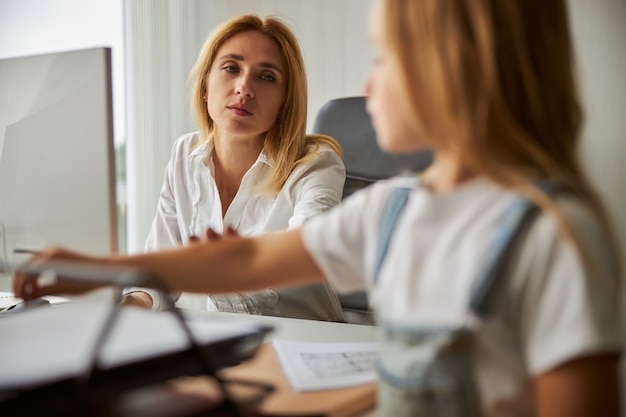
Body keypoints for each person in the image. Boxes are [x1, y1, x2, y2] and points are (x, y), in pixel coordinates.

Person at [14, 0, 622, 415]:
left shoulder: (557, 238)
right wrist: (96, 268)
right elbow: (249, 261)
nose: (366, 85)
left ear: (460, 71)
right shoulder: (390, 210)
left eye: (384, 58)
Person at [121, 13, 347, 322]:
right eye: (231, 68)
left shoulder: (316, 163)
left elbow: (306, 249)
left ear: (285, 101)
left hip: (310, 343)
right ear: (205, 86)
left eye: (266, 76)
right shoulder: (184, 157)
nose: (244, 87)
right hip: (234, 341)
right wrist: (134, 302)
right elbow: (159, 269)